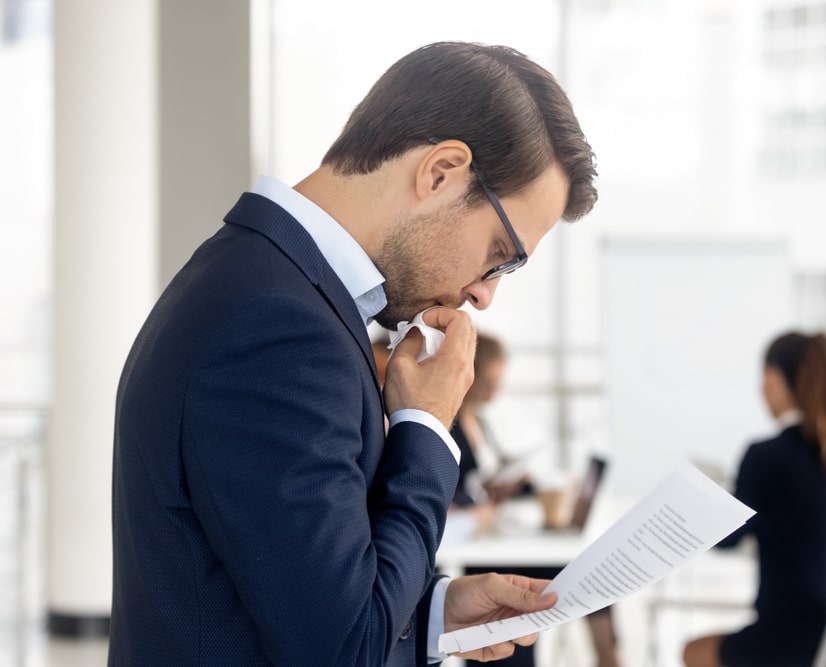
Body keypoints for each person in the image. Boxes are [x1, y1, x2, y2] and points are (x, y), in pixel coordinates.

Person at [109, 41, 598, 666]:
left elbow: (289, 594)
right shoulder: (282, 327)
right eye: (499, 253)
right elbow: (344, 651)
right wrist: (425, 425)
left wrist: (434, 613)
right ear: (442, 171)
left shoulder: (265, 281)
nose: (484, 294)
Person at [683, 332, 826, 667]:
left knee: (693, 652)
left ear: (773, 379)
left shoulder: (767, 455)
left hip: (794, 640)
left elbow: (727, 540)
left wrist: (694, 505)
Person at [447, 332, 621, 667]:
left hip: (489, 536)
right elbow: (453, 491)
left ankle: (608, 656)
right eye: (490, 380)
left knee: (586, 568)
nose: (495, 389)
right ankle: (607, 657)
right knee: (541, 585)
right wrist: (482, 499)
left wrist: (514, 483)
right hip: (473, 546)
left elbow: (481, 478)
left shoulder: (480, 420)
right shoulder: (451, 424)